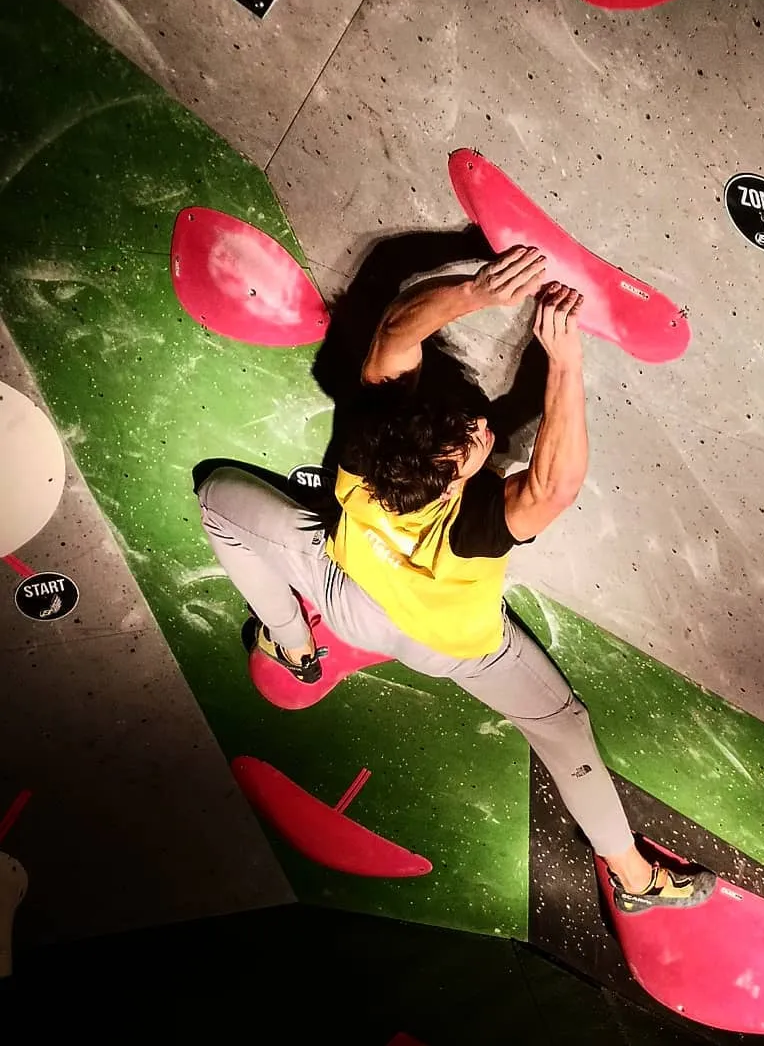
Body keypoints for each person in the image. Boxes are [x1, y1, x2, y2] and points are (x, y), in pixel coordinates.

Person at [196, 246, 715, 912]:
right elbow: (554, 484)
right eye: (470, 441)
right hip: (452, 647)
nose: (479, 426)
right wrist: (564, 359)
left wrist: (479, 290)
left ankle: (293, 646)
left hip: (349, 596)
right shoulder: (473, 531)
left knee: (217, 498)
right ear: (446, 490)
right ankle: (636, 879)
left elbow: (394, 332)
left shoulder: (365, 445)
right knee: (564, 725)